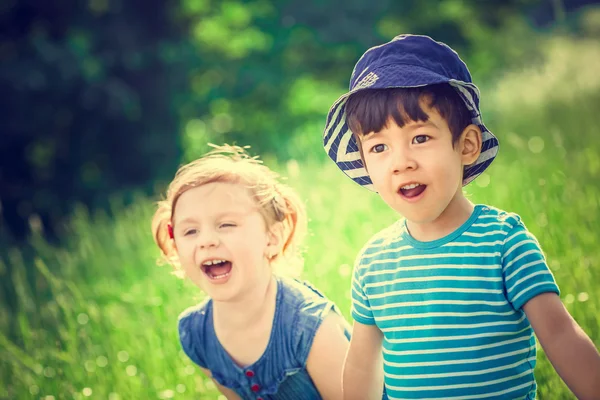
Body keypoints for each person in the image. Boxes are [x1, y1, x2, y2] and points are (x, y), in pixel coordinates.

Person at [322, 34, 600, 399]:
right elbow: (362, 364)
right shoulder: (374, 262)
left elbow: (560, 336)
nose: (401, 162)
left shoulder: (503, 243)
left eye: (420, 138)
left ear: (466, 145)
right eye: (379, 147)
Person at [152, 144, 351, 400]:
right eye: (190, 231)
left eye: (226, 224)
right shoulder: (196, 333)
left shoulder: (309, 325)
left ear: (271, 238)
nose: (206, 240)